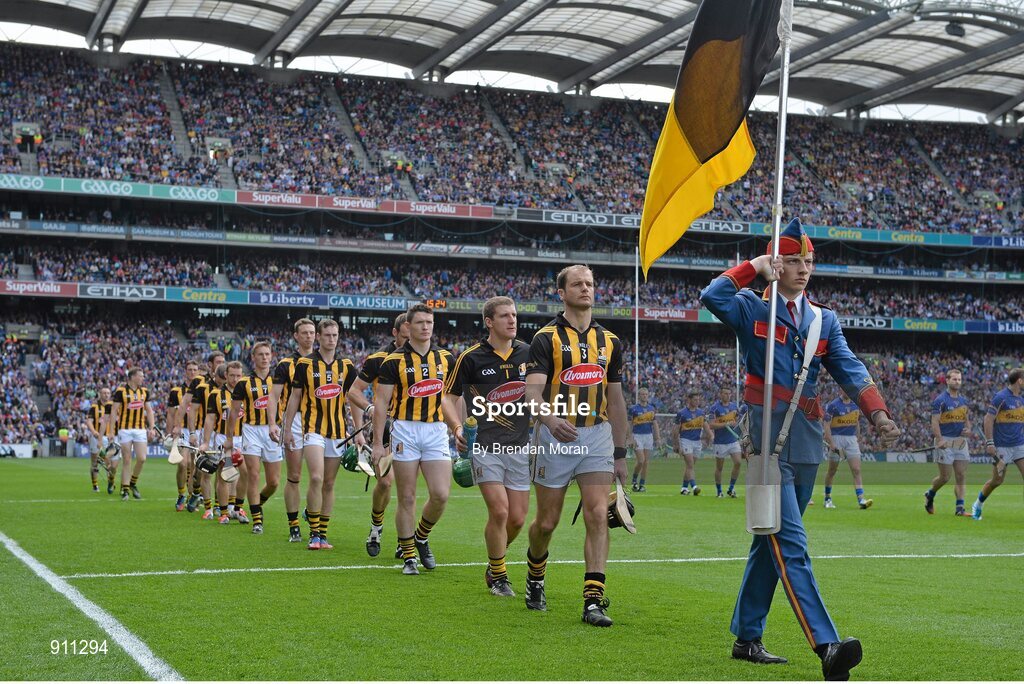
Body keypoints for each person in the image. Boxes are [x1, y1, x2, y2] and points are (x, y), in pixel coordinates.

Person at [700, 218, 900, 679]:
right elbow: (712, 297)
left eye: (808, 261)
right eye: (793, 261)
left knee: (768, 539)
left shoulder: (823, 319)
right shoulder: (751, 306)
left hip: (807, 439)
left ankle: (747, 637)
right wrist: (754, 266)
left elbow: (849, 367)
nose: (804, 269)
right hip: (767, 439)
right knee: (791, 543)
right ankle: (826, 645)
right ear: (777, 262)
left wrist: (878, 413)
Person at [523, 265, 629, 627]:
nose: (586, 289)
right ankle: (535, 573)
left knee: (599, 514)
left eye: (590, 284)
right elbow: (532, 394)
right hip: (555, 437)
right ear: (562, 293)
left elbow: (615, 401)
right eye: (578, 284)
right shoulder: (544, 339)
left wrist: (620, 452)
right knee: (547, 522)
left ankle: (593, 601)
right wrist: (550, 420)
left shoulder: (611, 342)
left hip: (597, 436)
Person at [442, 297, 530, 597]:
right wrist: (456, 427)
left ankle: (494, 562)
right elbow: (447, 398)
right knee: (500, 511)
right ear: (489, 322)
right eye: (505, 316)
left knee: (518, 518)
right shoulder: (470, 358)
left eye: (514, 315)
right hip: (484, 446)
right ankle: (501, 576)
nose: (512, 320)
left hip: (520, 446)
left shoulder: (529, 355)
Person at [371, 304, 454, 575]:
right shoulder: (393, 361)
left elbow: (454, 398)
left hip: (436, 430)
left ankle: (421, 536)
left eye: (429, 322)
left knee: (441, 495)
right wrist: (376, 443)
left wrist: (460, 427)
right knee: (406, 497)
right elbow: (381, 402)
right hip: (405, 430)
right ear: (409, 326)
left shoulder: (446, 358)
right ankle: (409, 557)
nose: (425, 327)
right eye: (420, 322)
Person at [278, 319, 363, 550]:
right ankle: (314, 534)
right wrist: (287, 429)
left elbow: (354, 397)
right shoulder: (305, 364)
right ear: (319, 337)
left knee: (329, 483)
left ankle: (323, 534)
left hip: (337, 431)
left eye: (335, 335)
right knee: (316, 477)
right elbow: (294, 398)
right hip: (312, 428)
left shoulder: (346, 365)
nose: (331, 339)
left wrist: (358, 430)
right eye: (327, 335)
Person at [348, 313, 408, 558]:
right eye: (405, 336)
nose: (409, 340)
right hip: (385, 427)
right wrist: (371, 409)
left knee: (408, 488)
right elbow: (354, 392)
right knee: (385, 482)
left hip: (414, 427)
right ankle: (376, 527)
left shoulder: (432, 357)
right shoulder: (378, 359)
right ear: (395, 333)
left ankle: (406, 540)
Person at [267, 319, 316, 542]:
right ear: (296, 336)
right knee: (294, 476)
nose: (309, 336)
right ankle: (294, 525)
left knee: (320, 478)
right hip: (295, 421)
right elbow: (273, 397)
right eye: (304, 333)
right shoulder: (286, 365)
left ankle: (314, 516)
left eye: (312, 332)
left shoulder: (325, 363)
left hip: (320, 421)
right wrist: (273, 423)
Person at [230, 341, 279, 535]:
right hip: (251, 430)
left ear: (271, 356)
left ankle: (256, 502)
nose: (264, 357)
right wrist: (228, 438)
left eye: (267, 354)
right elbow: (233, 412)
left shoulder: (278, 379)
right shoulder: (244, 383)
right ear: (253, 357)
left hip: (273, 430)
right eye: (260, 354)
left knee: (274, 482)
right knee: (253, 474)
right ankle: (257, 519)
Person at [971, 368, 1024, 520]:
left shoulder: (1021, 400)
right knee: (997, 480)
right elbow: (988, 419)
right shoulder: (1000, 397)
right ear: (1019, 380)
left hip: (1019, 446)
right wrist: (990, 443)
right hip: (1002, 447)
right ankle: (978, 505)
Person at [201, 362, 248, 524]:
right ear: (226, 376)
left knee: (244, 474)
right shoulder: (216, 394)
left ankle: (235, 507)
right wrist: (206, 442)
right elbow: (210, 419)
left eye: (238, 375)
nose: (235, 379)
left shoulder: (247, 391)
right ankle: (223, 512)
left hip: (243, 438)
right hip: (223, 438)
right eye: (232, 375)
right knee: (224, 475)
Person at [182, 351, 225, 515]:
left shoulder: (232, 386)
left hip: (223, 433)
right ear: (210, 365)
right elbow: (190, 409)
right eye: (218, 361)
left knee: (221, 470)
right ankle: (196, 493)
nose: (221, 364)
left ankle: (216, 506)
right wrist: (192, 432)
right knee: (201, 469)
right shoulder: (201, 385)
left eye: (223, 361)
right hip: (203, 432)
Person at [924, 369, 972, 516]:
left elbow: (967, 422)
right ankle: (930, 494)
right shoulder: (940, 400)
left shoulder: (964, 401)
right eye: (954, 379)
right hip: (944, 440)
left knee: (961, 475)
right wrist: (939, 440)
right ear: (947, 380)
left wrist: (968, 430)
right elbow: (935, 422)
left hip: (960, 442)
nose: (957, 382)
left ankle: (960, 508)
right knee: (945, 477)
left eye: (959, 379)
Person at [822, 391, 873, 510]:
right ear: (841, 389)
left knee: (856, 470)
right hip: (836, 438)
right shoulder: (833, 405)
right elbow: (826, 425)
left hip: (851, 439)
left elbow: (856, 422)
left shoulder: (856, 405)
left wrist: (857, 437)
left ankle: (861, 499)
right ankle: (827, 498)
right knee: (832, 470)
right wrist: (831, 443)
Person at [112, 368, 156, 501]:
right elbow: (114, 410)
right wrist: (113, 429)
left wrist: (152, 427)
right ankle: (125, 490)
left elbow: (149, 410)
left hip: (140, 429)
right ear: (132, 377)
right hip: (124, 429)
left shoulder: (144, 391)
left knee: (142, 458)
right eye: (140, 376)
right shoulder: (121, 391)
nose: (142, 378)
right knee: (126, 459)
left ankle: (132, 482)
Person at [168, 361, 199, 511]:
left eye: (195, 370)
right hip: (184, 431)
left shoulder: (204, 389)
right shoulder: (176, 391)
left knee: (196, 467)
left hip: (200, 430)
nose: (192, 372)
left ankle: (193, 496)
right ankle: (181, 494)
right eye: (190, 370)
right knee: (182, 463)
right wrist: (172, 430)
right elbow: (171, 413)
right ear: (185, 372)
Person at [707, 387, 742, 498]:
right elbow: (711, 425)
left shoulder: (734, 407)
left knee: (738, 462)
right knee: (719, 468)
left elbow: (737, 420)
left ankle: (731, 489)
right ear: (721, 394)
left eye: (729, 393)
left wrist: (734, 423)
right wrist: (725, 424)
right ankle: (719, 491)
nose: (727, 395)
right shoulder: (715, 408)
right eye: (725, 393)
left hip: (732, 440)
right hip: (720, 442)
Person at [675, 391, 707, 495]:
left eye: (698, 400)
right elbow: (675, 430)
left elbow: (705, 425)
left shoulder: (701, 413)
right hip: (685, 440)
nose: (697, 402)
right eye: (695, 399)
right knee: (690, 464)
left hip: (697, 442)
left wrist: (710, 436)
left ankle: (684, 488)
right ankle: (694, 487)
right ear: (689, 400)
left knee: (690, 466)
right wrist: (676, 444)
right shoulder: (682, 413)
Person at [629, 387, 659, 493]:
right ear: (639, 396)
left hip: (648, 436)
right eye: (642, 394)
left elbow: (655, 424)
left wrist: (657, 438)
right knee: (640, 460)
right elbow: (629, 424)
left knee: (646, 462)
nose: (644, 396)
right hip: (637, 436)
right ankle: (634, 480)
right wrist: (630, 438)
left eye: (646, 394)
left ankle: (642, 484)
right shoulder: (633, 409)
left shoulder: (651, 409)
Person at [84, 387, 111, 493]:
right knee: (95, 462)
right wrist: (94, 432)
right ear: (100, 394)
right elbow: (89, 421)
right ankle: (95, 485)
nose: (106, 395)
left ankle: (110, 482)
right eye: (104, 393)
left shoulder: (113, 406)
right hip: (97, 437)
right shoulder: (94, 407)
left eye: (108, 393)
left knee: (109, 462)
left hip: (109, 437)